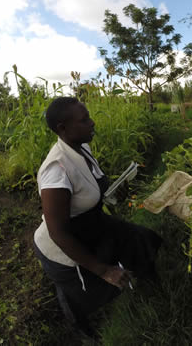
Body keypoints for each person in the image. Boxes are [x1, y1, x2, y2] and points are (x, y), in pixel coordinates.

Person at [33, 97, 162, 336]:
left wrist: (116, 194)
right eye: (84, 120)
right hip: (62, 243)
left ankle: (152, 289)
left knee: (138, 238)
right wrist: (104, 270)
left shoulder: (82, 149)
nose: (92, 123)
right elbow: (58, 231)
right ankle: (85, 331)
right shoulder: (56, 170)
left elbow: (90, 194)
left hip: (90, 223)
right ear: (63, 128)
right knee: (84, 293)